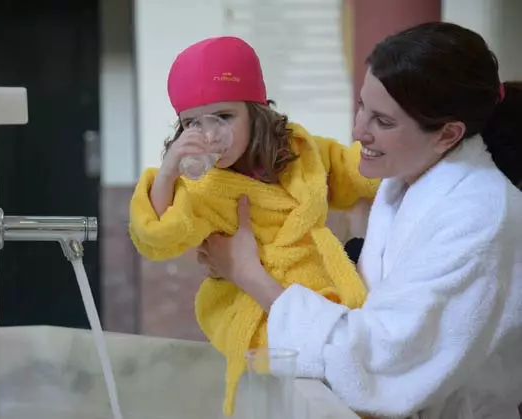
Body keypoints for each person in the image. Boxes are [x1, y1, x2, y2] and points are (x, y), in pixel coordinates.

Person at [197, 22, 522, 419]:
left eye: (383, 122)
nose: (358, 131)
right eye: (361, 107)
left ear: (447, 135)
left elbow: (382, 360)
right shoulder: (405, 180)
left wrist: (248, 272)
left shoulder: (479, 213)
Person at [128, 36, 379, 415]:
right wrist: (166, 173)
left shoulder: (299, 151)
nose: (210, 134)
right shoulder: (200, 187)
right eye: (192, 124)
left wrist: (412, 155)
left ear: (255, 111)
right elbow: (157, 237)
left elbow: (353, 171)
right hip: (255, 316)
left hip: (320, 300)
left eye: (224, 117)